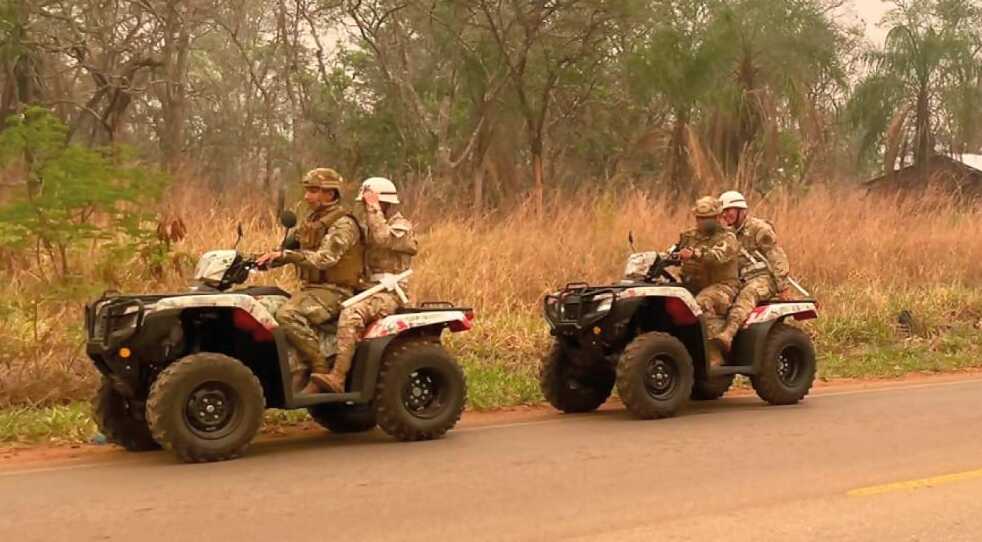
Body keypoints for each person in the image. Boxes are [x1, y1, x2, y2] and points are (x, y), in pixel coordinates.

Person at [256, 168, 365, 394]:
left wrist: (287, 257)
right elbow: (286, 248)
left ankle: (320, 368)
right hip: (310, 290)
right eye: (307, 190)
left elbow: (325, 259)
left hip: (335, 292)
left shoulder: (343, 224)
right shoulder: (312, 221)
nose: (307, 196)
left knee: (288, 315)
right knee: (261, 303)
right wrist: (260, 259)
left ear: (330, 193)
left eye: (314, 191)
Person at [313, 177, 418, 393]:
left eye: (369, 204)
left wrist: (373, 208)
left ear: (385, 204)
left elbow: (383, 239)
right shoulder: (367, 228)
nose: (365, 209)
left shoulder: (401, 227)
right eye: (365, 205)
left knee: (352, 315)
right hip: (365, 288)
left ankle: (338, 377)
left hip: (389, 293)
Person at [713, 190, 791, 352]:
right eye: (723, 212)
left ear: (741, 211)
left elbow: (777, 257)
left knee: (748, 294)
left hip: (764, 279)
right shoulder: (726, 234)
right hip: (740, 280)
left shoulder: (759, 229)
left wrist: (783, 286)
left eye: (729, 211)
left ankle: (728, 334)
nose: (726, 215)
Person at [677, 196, 740, 367]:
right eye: (700, 218)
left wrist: (695, 254)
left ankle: (714, 355)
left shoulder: (728, 238)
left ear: (718, 217)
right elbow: (674, 252)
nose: (702, 222)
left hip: (724, 287)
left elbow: (716, 256)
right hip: (693, 285)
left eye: (707, 218)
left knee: (702, 303)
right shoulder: (689, 236)